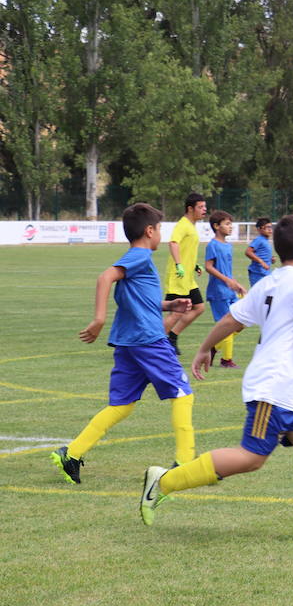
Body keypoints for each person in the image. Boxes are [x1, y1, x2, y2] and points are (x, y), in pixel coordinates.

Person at [140, 214, 293, 544]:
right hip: (273, 387)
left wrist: (205, 348)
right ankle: (164, 482)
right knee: (252, 457)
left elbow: (232, 319)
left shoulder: (268, 282)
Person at [50, 203, 197, 484]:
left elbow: (140, 299)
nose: (161, 236)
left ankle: (71, 453)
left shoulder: (137, 260)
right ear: (149, 230)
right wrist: (99, 319)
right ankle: (185, 462)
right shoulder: (139, 256)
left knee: (122, 404)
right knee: (183, 393)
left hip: (129, 342)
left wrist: (169, 305)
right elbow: (106, 277)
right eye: (160, 230)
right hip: (148, 340)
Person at [163, 193, 208, 354]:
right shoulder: (183, 224)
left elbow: (185, 248)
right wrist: (179, 265)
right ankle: (153, 343)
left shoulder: (192, 225)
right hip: (178, 277)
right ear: (190, 208)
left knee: (199, 307)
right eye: (201, 207)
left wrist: (194, 265)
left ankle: (172, 336)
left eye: (204, 206)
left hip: (188, 278)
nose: (204, 210)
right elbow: (173, 243)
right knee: (176, 313)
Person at [203, 210, 247, 369]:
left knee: (242, 322)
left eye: (231, 224)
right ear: (216, 226)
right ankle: (226, 360)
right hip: (218, 292)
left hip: (230, 290)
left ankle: (214, 347)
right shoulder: (212, 245)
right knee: (228, 325)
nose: (230, 227)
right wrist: (227, 281)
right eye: (227, 224)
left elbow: (227, 270)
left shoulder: (228, 246)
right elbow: (208, 267)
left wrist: (237, 284)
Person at [245, 217, 274, 287]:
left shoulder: (266, 241)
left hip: (265, 273)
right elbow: (248, 252)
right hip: (257, 273)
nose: (270, 229)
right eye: (267, 227)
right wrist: (261, 261)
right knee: (257, 296)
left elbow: (261, 254)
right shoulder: (259, 239)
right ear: (259, 229)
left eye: (271, 227)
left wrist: (271, 259)